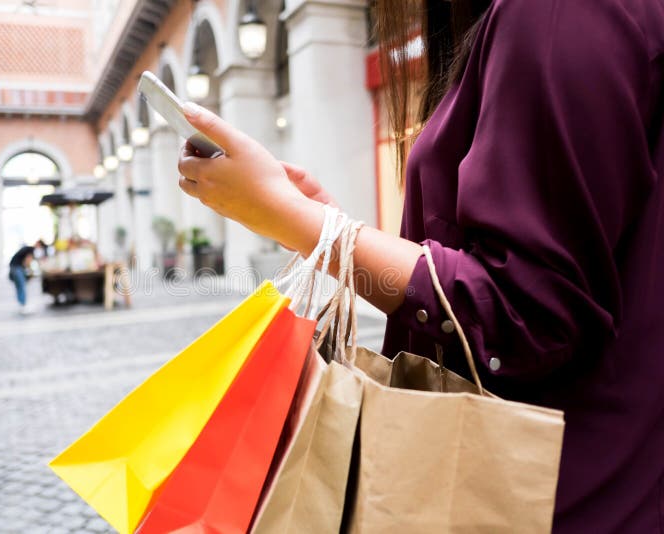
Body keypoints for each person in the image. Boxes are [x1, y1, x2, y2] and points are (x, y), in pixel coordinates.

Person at [175, 0, 664, 530]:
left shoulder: (555, 13)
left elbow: (520, 314)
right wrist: (326, 223)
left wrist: (308, 224)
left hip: (556, 496)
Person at [9, 244, 36, 315]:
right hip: (17, 268)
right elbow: (28, 261)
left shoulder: (25, 249)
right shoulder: (30, 250)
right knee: (22, 286)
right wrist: (30, 271)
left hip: (13, 267)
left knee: (19, 286)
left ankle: (21, 304)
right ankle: (23, 305)